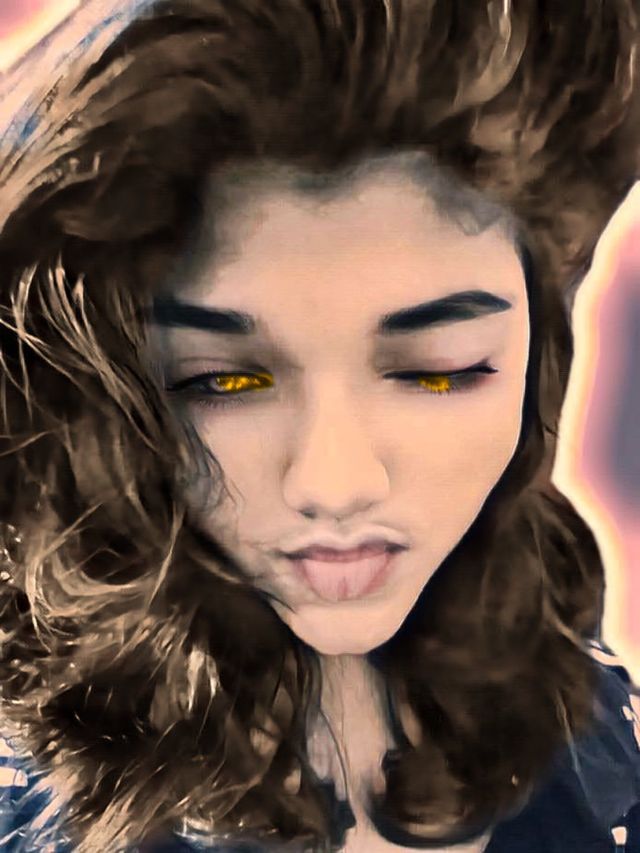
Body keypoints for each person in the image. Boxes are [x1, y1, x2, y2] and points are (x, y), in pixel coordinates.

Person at [0, 1, 639, 851]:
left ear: (540, 353)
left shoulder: (580, 711)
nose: (334, 484)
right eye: (224, 380)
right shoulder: (33, 804)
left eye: (438, 368)